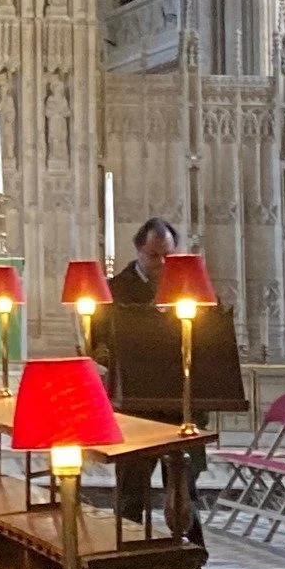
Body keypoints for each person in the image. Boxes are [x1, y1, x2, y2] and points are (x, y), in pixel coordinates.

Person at [91, 219, 207, 537]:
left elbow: (208, 338)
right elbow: (98, 342)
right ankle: (129, 556)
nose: (162, 264)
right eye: (154, 256)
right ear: (139, 250)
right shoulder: (114, 290)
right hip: (135, 407)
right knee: (131, 495)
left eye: (168, 256)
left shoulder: (190, 286)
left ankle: (192, 559)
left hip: (181, 406)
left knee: (185, 494)